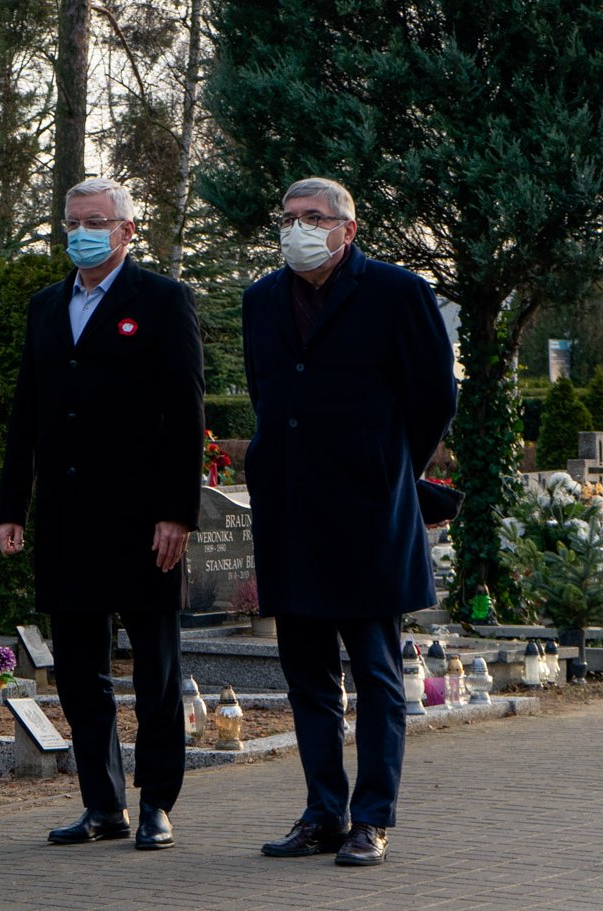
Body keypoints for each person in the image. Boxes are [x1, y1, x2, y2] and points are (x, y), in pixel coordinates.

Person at [245, 177, 455, 867]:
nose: (298, 228)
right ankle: (322, 812)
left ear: (348, 230)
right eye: (289, 218)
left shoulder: (398, 293)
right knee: (305, 674)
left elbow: (433, 398)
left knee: (374, 672)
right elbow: (266, 393)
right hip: (290, 510)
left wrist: (386, 463)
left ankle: (373, 817)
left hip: (367, 513)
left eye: (314, 217)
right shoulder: (263, 299)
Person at [0, 177, 203, 851]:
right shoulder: (47, 306)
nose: (82, 231)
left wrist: (177, 510)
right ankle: (102, 803)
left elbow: (185, 413)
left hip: (145, 521)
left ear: (126, 230)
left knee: (155, 669)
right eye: (73, 220)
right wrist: (11, 505)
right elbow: (27, 410)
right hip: (68, 517)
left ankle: (157, 803)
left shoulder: (163, 301)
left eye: (97, 220)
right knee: (81, 672)